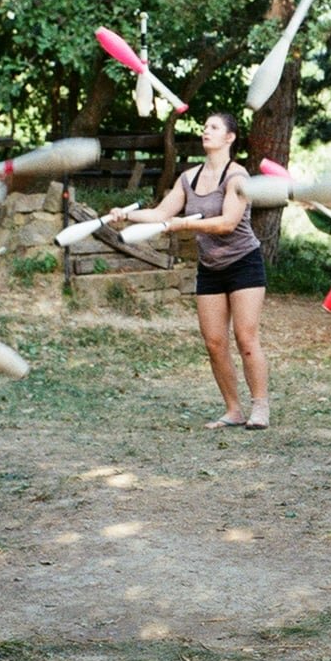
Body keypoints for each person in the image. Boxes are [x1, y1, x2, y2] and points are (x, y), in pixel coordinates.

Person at [106, 113, 271, 430]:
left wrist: (184, 223)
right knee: (214, 343)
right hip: (210, 266)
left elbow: (227, 223)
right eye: (204, 126)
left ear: (230, 138)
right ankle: (233, 409)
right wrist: (126, 216)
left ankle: (260, 407)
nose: (205, 131)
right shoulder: (189, 178)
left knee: (246, 338)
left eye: (214, 127)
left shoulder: (237, 177)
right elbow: (161, 213)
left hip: (244, 262)